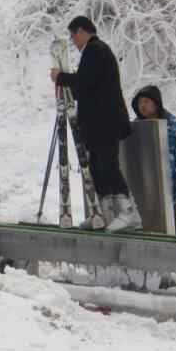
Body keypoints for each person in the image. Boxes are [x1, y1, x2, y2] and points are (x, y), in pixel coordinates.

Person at [49, 16, 142, 232]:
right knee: (98, 168)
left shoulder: (96, 50)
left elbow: (85, 81)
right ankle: (104, 214)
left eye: (73, 37)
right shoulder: (96, 52)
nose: (74, 42)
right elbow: (85, 88)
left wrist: (61, 77)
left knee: (108, 165)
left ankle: (129, 211)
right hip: (97, 122)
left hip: (105, 121)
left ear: (81, 31)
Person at [131, 85, 176, 233]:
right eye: (140, 103)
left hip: (168, 191)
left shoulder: (174, 126)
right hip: (142, 192)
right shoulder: (135, 127)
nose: (142, 106)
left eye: (146, 101)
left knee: (168, 231)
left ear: (156, 103)